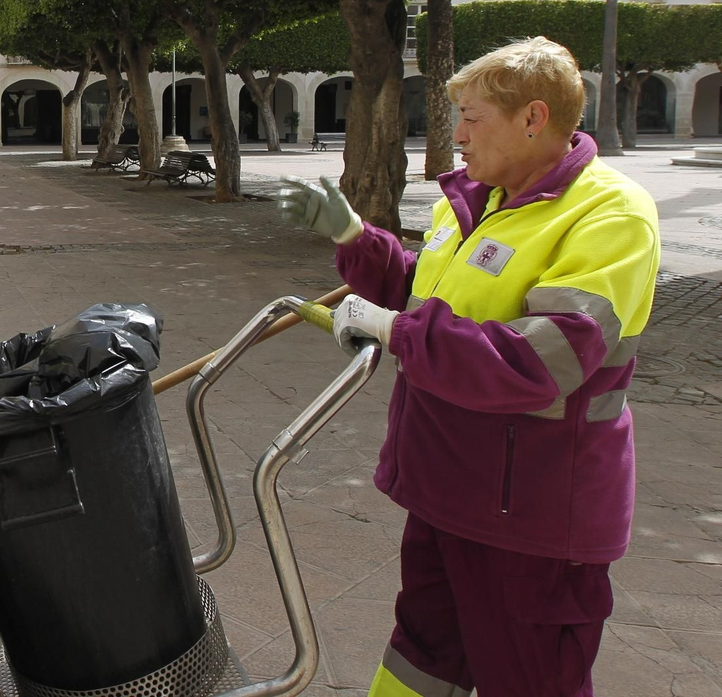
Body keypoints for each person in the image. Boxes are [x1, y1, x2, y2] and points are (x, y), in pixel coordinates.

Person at [276, 37, 658, 697]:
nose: (455, 135)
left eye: (472, 117)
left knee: (532, 678)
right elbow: (425, 295)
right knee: (421, 661)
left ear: (533, 118)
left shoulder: (611, 215)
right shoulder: (477, 201)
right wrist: (355, 238)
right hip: (448, 494)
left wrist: (394, 329)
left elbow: (543, 359)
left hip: (534, 518)